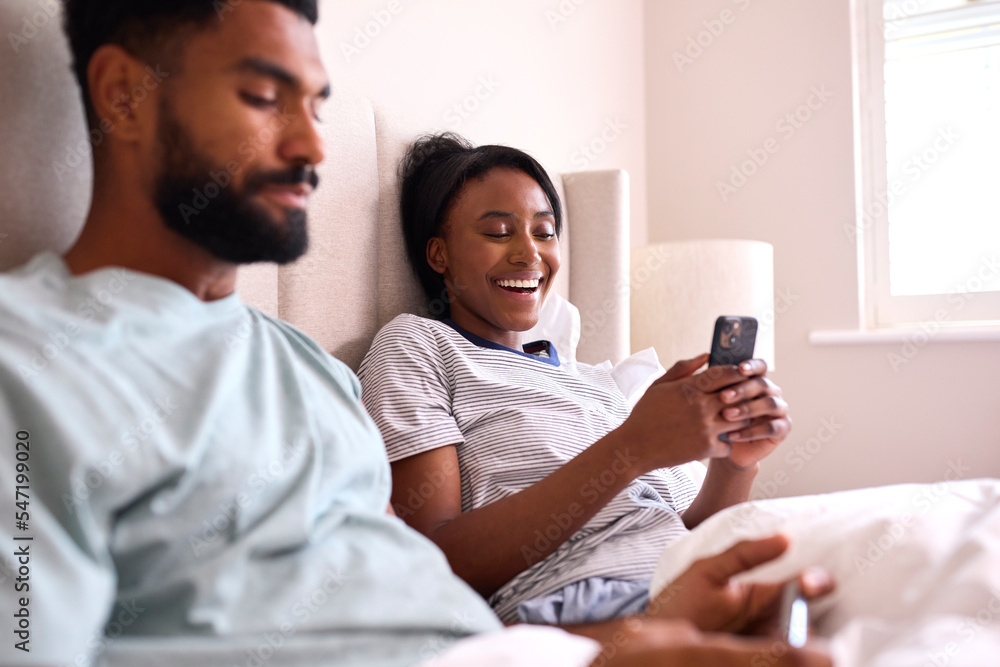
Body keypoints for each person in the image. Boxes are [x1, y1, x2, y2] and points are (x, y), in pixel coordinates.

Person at [0, 1, 832, 665]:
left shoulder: (304, 368)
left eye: (317, 106)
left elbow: (411, 611)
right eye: (263, 97)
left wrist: (617, 641)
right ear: (124, 96)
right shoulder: (28, 358)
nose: (313, 144)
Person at [358, 133, 794, 624]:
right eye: (499, 232)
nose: (529, 253)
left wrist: (734, 464)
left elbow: (680, 528)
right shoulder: (420, 346)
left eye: (544, 233)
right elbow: (430, 560)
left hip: (685, 575)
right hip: (581, 605)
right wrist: (632, 447)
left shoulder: (595, 384)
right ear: (439, 255)